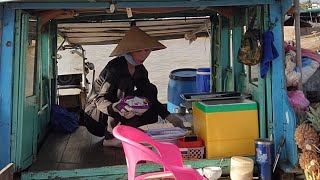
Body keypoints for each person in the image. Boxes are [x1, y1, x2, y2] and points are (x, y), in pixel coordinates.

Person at [83, 26, 185, 147]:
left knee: (150, 90)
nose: (144, 55)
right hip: (96, 117)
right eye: (139, 51)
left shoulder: (140, 70)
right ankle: (110, 138)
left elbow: (149, 95)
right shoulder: (115, 68)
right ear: (129, 51)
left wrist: (170, 117)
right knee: (124, 89)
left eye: (147, 50)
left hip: (118, 112)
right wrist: (116, 107)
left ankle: (127, 131)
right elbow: (100, 100)